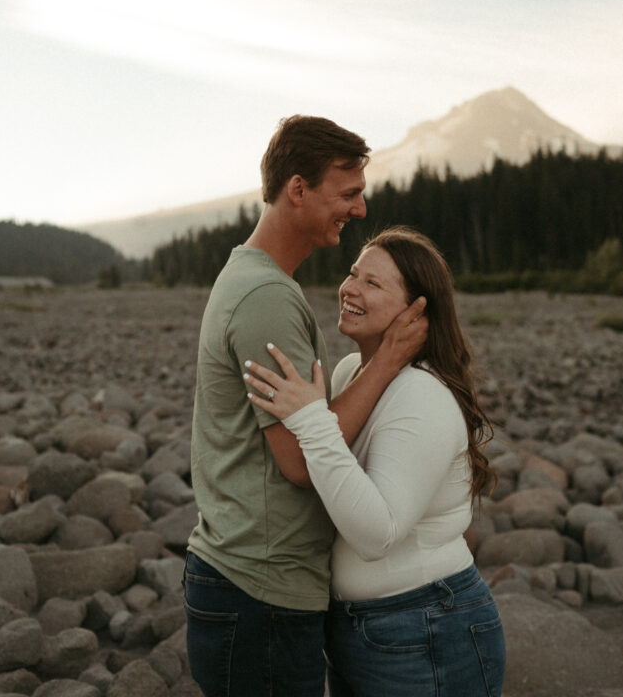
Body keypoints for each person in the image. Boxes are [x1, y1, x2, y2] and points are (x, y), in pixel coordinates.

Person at [184, 118, 427, 697]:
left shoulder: (254, 277)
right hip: (259, 591)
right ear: (298, 189)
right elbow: (298, 459)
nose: (361, 209)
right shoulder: (266, 295)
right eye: (348, 194)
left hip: (247, 583)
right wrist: (388, 360)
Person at [246, 226, 506, 697]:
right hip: (360, 630)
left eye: (373, 283)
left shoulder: (421, 394)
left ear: (417, 310)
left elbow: (376, 533)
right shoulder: (351, 370)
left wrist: (310, 418)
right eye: (352, 274)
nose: (349, 288)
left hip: (425, 625)